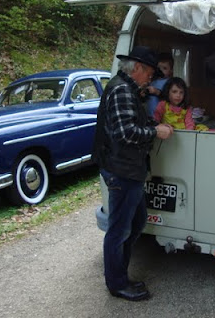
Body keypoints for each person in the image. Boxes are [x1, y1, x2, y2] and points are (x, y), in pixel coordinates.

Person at [92, 45, 174, 301]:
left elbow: (132, 121)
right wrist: (156, 132)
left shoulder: (129, 89)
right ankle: (117, 284)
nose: (151, 76)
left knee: (137, 222)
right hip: (121, 170)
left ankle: (120, 273)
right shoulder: (121, 91)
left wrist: (153, 123)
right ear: (137, 68)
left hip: (130, 170)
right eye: (150, 71)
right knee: (119, 230)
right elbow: (124, 133)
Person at [145, 52, 174, 116]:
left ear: (171, 71)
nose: (161, 70)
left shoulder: (170, 82)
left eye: (164, 68)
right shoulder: (152, 80)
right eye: (158, 68)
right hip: (149, 114)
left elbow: (171, 98)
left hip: (162, 117)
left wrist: (157, 92)